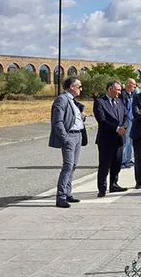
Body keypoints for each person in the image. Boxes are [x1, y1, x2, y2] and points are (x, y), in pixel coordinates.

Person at [48, 77, 86, 208]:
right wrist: (65, 138)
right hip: (70, 136)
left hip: (78, 135)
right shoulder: (61, 99)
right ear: (71, 87)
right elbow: (57, 121)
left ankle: (68, 193)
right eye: (79, 86)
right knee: (68, 166)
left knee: (73, 165)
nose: (81, 89)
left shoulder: (72, 100)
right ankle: (61, 197)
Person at [94, 80, 129, 197]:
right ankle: (102, 188)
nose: (120, 92)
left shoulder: (119, 102)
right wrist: (116, 128)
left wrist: (124, 126)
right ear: (110, 89)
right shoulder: (100, 102)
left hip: (119, 139)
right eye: (118, 90)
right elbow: (102, 120)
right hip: (106, 139)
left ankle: (114, 184)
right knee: (104, 164)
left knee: (117, 163)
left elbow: (125, 115)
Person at [120, 78, 138, 169]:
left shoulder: (132, 94)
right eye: (133, 84)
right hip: (127, 120)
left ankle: (128, 159)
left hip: (132, 120)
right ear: (128, 84)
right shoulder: (123, 95)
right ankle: (122, 160)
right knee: (125, 141)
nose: (135, 86)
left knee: (130, 141)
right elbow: (123, 109)